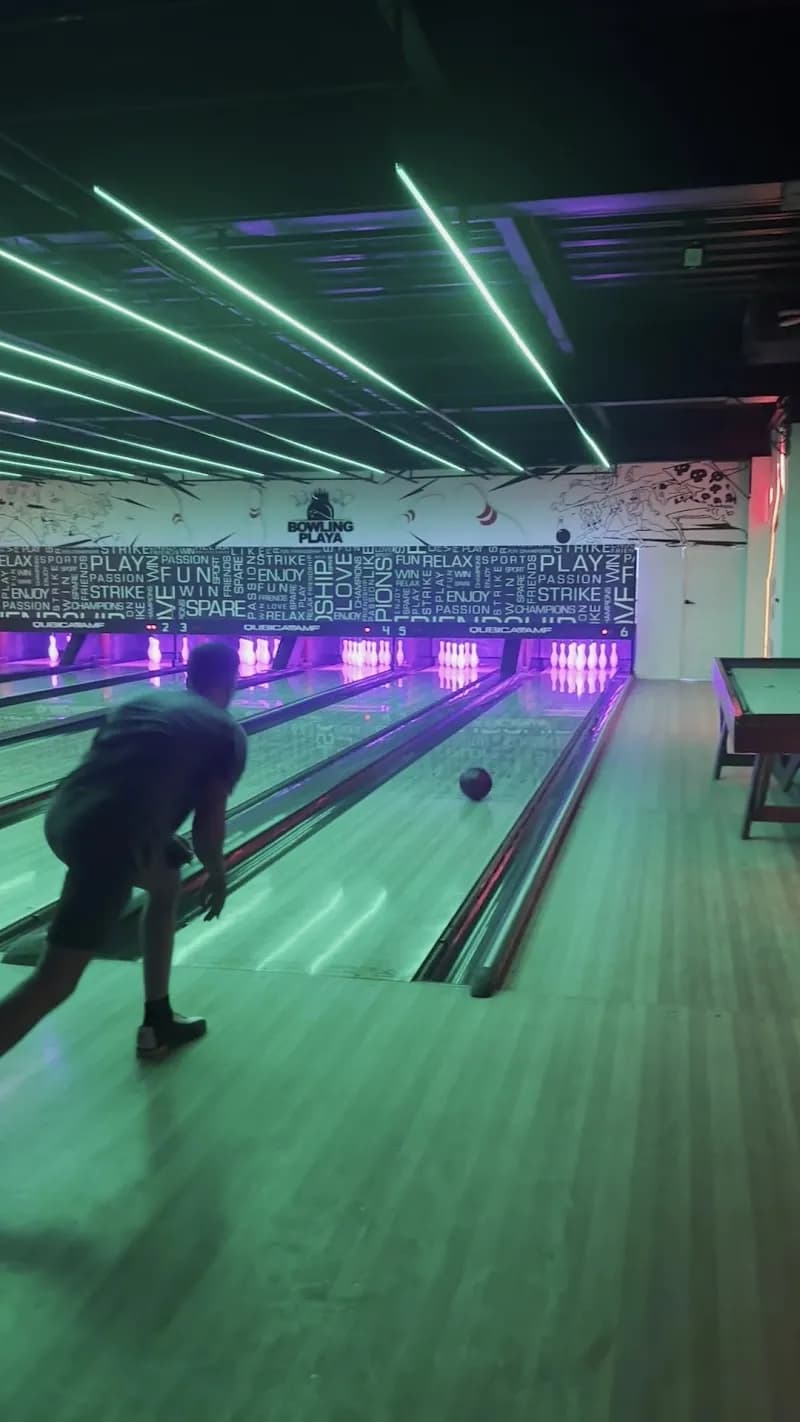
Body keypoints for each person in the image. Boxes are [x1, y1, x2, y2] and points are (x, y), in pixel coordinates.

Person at [0, 641, 247, 1061]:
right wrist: (219, 875)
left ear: (188, 675)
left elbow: (115, 772)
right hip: (110, 839)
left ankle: (158, 1020)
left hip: (62, 816)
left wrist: (154, 830)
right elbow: (208, 830)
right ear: (233, 680)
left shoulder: (142, 701)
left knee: (166, 882)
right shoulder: (227, 733)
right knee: (55, 981)